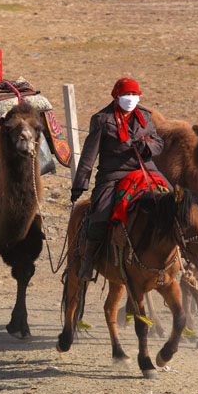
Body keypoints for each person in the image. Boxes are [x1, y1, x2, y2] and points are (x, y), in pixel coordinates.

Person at [70, 77, 170, 279]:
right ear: (116, 96)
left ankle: (181, 257)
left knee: (174, 201)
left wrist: (148, 146)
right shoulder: (101, 119)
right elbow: (90, 154)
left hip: (146, 171)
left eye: (134, 95)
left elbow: (159, 143)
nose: (131, 98)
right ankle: (89, 260)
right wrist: (80, 184)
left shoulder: (145, 116)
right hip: (114, 174)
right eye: (126, 95)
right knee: (101, 212)